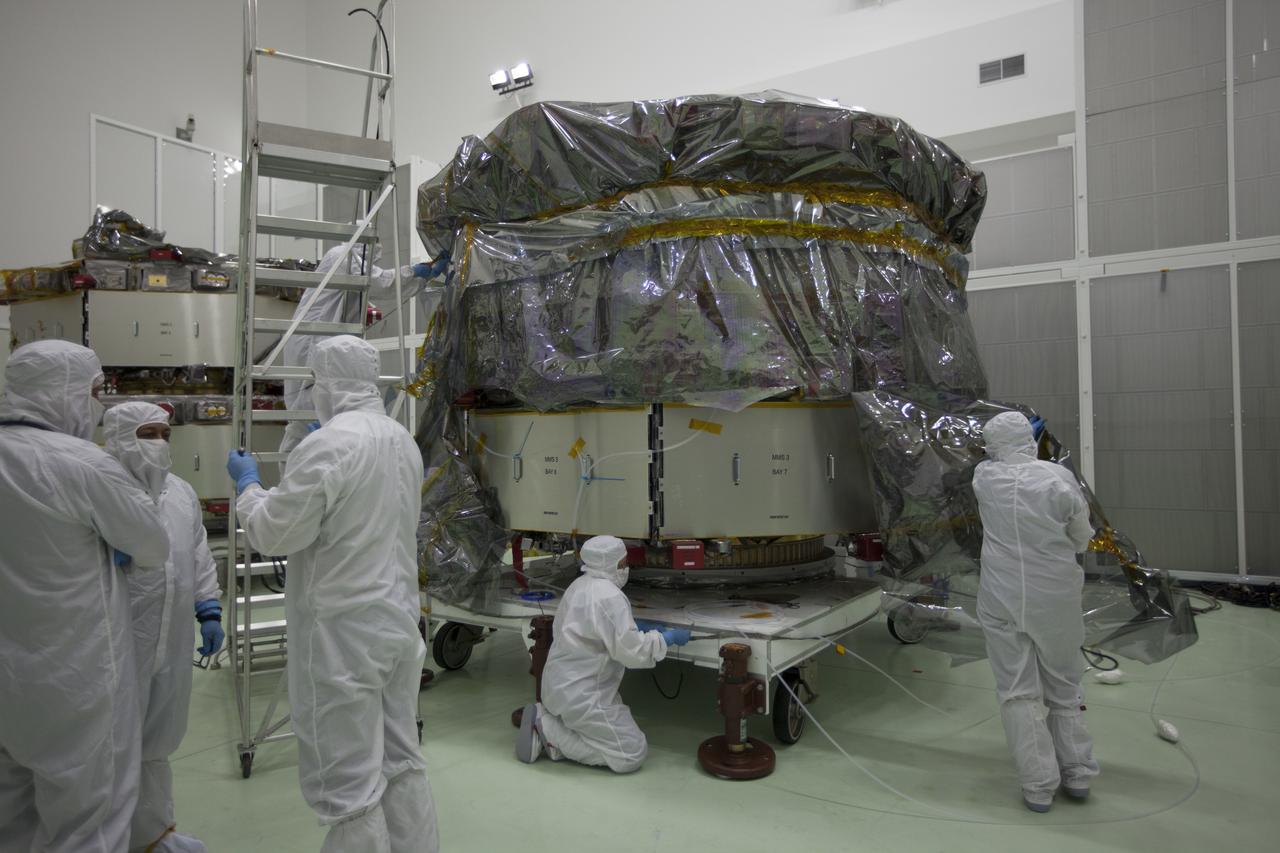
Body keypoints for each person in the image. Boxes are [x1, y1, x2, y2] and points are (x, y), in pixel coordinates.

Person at [227, 335, 438, 853]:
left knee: (349, 784)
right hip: (397, 622)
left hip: (343, 635)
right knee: (401, 759)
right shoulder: (401, 440)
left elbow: (276, 533)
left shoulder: (328, 445)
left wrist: (249, 488)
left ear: (323, 384)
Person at [0, 340, 170, 852]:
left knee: (13, 812)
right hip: (77, 673)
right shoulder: (82, 464)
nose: (98, 405)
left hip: (10, 676)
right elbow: (152, 545)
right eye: (95, 392)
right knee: (90, 820)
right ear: (65, 392)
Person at [103, 402, 223, 853]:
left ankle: (153, 834)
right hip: (118, 637)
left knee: (158, 739)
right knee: (112, 743)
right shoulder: (102, 490)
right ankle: (108, 838)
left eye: (164, 435)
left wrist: (208, 606)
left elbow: (198, 551)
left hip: (171, 636)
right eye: (147, 434)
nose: (158, 444)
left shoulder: (180, 492)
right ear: (119, 437)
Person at [972, 411, 1099, 813]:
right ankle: (1077, 773)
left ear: (992, 446)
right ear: (1029, 440)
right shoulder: (1058, 479)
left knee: (1016, 690)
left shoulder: (983, 478)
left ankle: (1038, 786)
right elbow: (1082, 537)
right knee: (1063, 683)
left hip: (1001, 595)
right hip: (1054, 596)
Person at [516, 535, 690, 773]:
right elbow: (633, 654)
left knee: (604, 736)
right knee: (630, 753)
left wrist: (635, 626)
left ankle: (552, 725)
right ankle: (548, 729)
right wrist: (665, 639)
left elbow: (594, 626)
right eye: (623, 563)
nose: (626, 568)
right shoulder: (610, 596)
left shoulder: (578, 586)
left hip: (558, 686)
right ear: (610, 563)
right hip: (584, 697)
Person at [278, 244, 447, 456]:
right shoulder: (342, 255)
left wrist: (422, 277)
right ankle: (297, 462)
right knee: (306, 413)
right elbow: (381, 283)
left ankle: (301, 460)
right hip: (312, 345)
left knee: (312, 418)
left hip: (320, 346)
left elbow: (375, 285)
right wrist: (414, 272)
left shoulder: (349, 266)